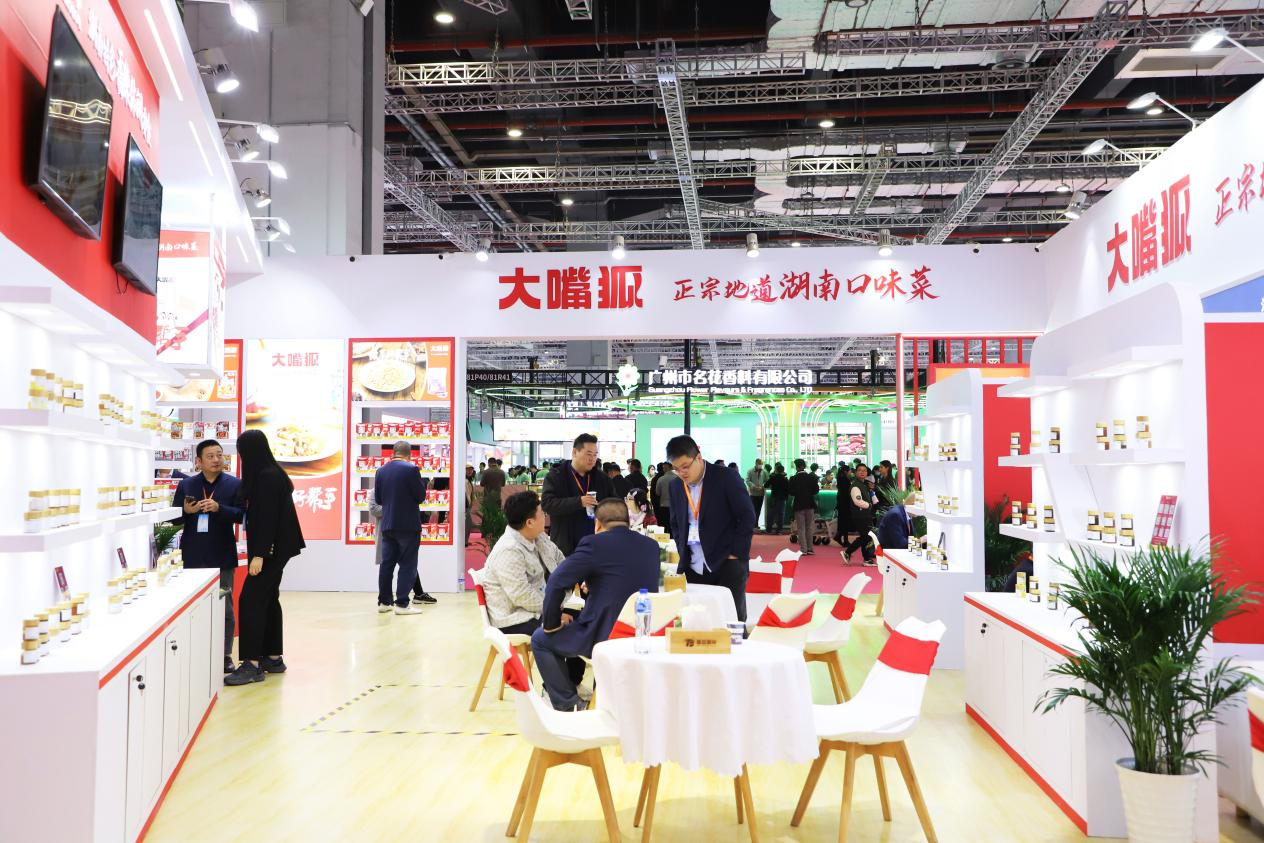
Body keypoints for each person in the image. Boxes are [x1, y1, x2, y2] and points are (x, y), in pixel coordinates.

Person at [532, 498, 659, 710]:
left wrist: (551, 624)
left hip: (604, 635)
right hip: (642, 635)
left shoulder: (593, 544)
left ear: (598, 524)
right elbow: (622, 578)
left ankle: (569, 703)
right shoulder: (651, 546)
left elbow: (556, 582)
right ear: (628, 521)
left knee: (540, 639)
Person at [225, 430, 305, 686]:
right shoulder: (271, 473)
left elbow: (268, 519)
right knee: (268, 598)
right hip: (278, 548)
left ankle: (251, 664)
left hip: (271, 550)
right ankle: (272, 657)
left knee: (250, 599)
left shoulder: (267, 477)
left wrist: (260, 554)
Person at [172, 440, 244, 673]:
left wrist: (219, 508)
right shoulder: (187, 484)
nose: (216, 460)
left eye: (219, 455)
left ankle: (224, 655)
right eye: (210, 456)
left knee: (225, 608)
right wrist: (186, 511)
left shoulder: (234, 484)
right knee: (191, 607)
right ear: (199, 461)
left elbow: (242, 515)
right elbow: (173, 520)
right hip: (192, 556)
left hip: (222, 555)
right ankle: (194, 651)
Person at [667, 435, 757, 621]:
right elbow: (675, 523)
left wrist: (736, 553)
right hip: (693, 565)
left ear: (698, 457)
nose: (682, 473)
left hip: (727, 562)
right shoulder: (675, 486)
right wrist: (683, 551)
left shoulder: (726, 477)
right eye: (676, 469)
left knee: (731, 621)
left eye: (685, 466)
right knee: (699, 621)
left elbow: (747, 516)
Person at [480, 491, 564, 635]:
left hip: (538, 607)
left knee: (587, 617)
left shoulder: (538, 536)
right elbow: (521, 595)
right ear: (530, 522)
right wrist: (554, 610)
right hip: (515, 619)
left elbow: (560, 558)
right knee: (572, 629)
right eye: (542, 513)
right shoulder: (509, 550)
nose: (546, 516)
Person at [373, 441, 426, 615]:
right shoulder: (411, 469)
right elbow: (420, 496)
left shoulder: (381, 471)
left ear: (393, 453)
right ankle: (402, 604)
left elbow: (379, 499)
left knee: (386, 564)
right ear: (409, 454)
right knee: (408, 564)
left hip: (388, 524)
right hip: (408, 524)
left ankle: (384, 602)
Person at [541, 434, 614, 556]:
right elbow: (547, 504)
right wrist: (579, 502)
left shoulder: (602, 478)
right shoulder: (556, 476)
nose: (592, 459)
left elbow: (614, 502)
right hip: (565, 547)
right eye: (588, 454)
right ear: (575, 452)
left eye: (595, 455)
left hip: (596, 544)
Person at [842, 463, 878, 565]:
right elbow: (857, 501)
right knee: (866, 536)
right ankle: (848, 552)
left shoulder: (864, 484)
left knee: (866, 536)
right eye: (860, 470)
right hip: (860, 515)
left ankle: (865, 558)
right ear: (856, 472)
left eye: (864, 470)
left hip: (865, 514)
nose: (862, 472)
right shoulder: (855, 486)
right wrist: (868, 505)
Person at [787, 459, 819, 556]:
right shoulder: (811, 477)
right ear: (804, 466)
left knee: (801, 528)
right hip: (810, 504)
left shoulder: (793, 478)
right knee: (809, 527)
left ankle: (803, 549)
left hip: (799, 505)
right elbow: (816, 490)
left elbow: (791, 492)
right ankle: (810, 549)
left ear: (796, 467)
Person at [766, 462, 789, 534]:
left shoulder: (773, 477)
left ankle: (769, 529)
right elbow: (788, 489)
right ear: (783, 471)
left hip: (774, 497)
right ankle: (779, 530)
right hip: (782, 498)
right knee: (781, 514)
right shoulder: (785, 479)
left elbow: (766, 485)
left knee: (771, 514)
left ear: (776, 470)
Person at [653, 461, 673, 537]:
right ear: (671, 467)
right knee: (673, 526)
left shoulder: (661, 479)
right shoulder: (678, 478)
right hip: (674, 506)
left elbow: (657, 493)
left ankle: (664, 540)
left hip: (663, 505)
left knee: (664, 525)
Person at [745, 458, 766, 533]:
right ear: (756, 463)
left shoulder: (764, 472)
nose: (760, 465)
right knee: (753, 509)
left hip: (761, 493)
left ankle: (756, 524)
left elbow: (766, 480)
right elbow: (747, 480)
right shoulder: (750, 471)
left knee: (758, 510)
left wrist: (763, 486)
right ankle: (752, 524)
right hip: (753, 494)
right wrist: (754, 486)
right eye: (759, 464)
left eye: (761, 464)